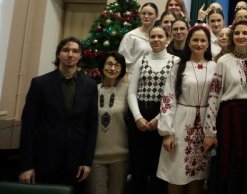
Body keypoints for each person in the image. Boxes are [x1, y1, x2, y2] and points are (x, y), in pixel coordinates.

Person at [18, 37, 98, 191]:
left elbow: (92, 126)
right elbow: (28, 126)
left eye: (75, 51)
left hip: (76, 163)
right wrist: (26, 165)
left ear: (80, 56)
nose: (70, 54)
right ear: (58, 54)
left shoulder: (90, 86)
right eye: (66, 50)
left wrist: (87, 162)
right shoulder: (40, 84)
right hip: (45, 160)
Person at [204, 20, 247, 194]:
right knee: (228, 161)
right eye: (237, 33)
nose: (241, 36)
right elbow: (214, 95)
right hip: (229, 118)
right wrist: (210, 131)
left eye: (245, 33)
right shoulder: (223, 61)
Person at [157, 25, 215, 193]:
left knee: (197, 175)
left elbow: (216, 100)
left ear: (208, 44)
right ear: (188, 42)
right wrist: (167, 132)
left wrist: (212, 132)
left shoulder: (215, 66)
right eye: (195, 40)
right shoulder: (178, 66)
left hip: (204, 125)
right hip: (180, 124)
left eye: (203, 40)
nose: (199, 44)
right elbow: (168, 98)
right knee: (176, 173)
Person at [127, 25, 180, 194]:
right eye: (153, 36)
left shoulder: (175, 61)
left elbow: (175, 94)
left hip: (163, 115)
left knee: (158, 167)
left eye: (160, 36)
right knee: (138, 166)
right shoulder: (141, 61)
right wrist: (137, 117)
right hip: (140, 115)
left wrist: (159, 118)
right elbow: (132, 92)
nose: (156, 40)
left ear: (168, 39)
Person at [87, 51, 129, 194]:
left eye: (117, 65)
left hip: (120, 156)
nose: (112, 68)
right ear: (102, 66)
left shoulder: (128, 92)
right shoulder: (92, 90)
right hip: (95, 157)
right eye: (109, 64)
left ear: (122, 69)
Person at [119, 2, 158, 72]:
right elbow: (122, 61)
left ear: (156, 16)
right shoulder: (130, 36)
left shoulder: (158, 37)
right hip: (132, 76)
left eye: (150, 14)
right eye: (143, 13)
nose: (146, 16)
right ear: (140, 15)